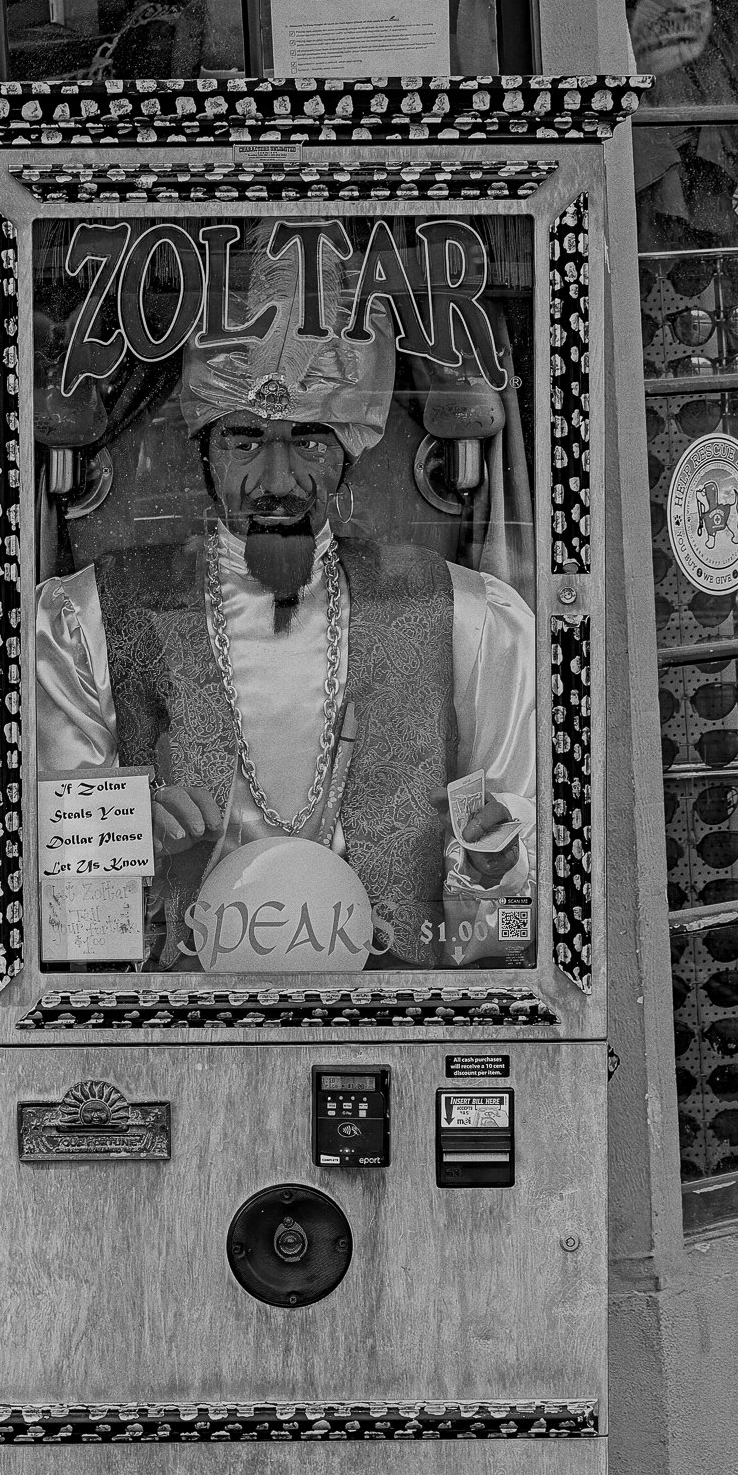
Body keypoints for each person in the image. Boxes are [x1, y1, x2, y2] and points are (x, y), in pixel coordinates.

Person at [34, 223, 537, 970]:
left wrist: (486, 885)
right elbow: (70, 923)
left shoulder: (470, 622)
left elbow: (503, 920)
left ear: (349, 453)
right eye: (243, 440)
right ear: (201, 450)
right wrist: (128, 848)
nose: (275, 481)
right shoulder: (86, 621)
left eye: (307, 440)